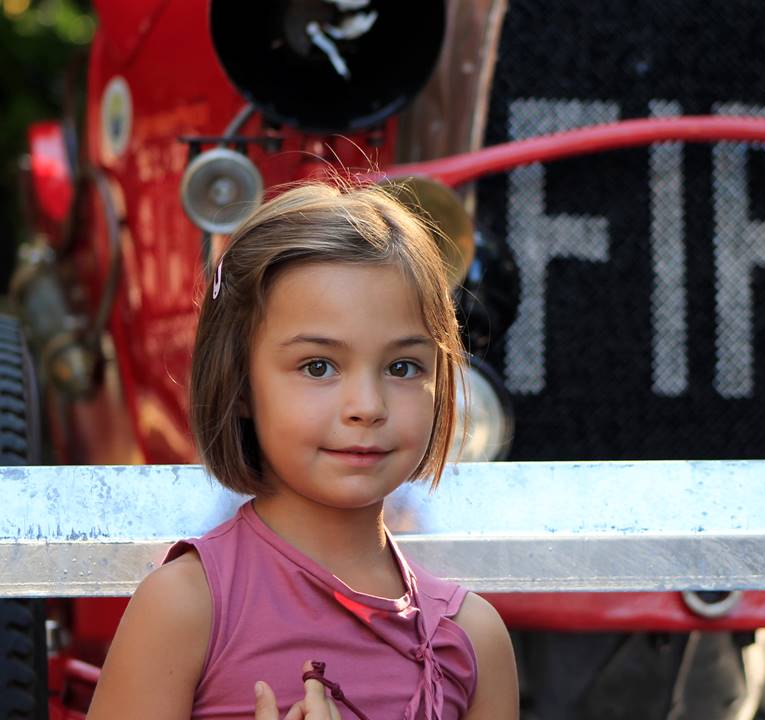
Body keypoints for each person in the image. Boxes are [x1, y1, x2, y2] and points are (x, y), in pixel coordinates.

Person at [86, 183, 519, 720]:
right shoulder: (185, 609)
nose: (367, 406)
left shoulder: (475, 640)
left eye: (403, 367)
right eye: (318, 366)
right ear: (240, 383)